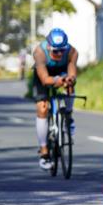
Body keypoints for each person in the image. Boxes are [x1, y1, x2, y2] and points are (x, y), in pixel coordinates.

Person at [31, 28, 79, 171]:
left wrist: (69, 79)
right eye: (55, 51)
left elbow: (72, 72)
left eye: (61, 51)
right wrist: (57, 80)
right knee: (42, 108)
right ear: (49, 47)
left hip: (62, 71)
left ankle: (68, 115)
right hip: (44, 75)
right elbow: (45, 80)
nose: (59, 54)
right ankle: (44, 151)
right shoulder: (39, 52)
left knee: (70, 86)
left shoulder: (72, 52)